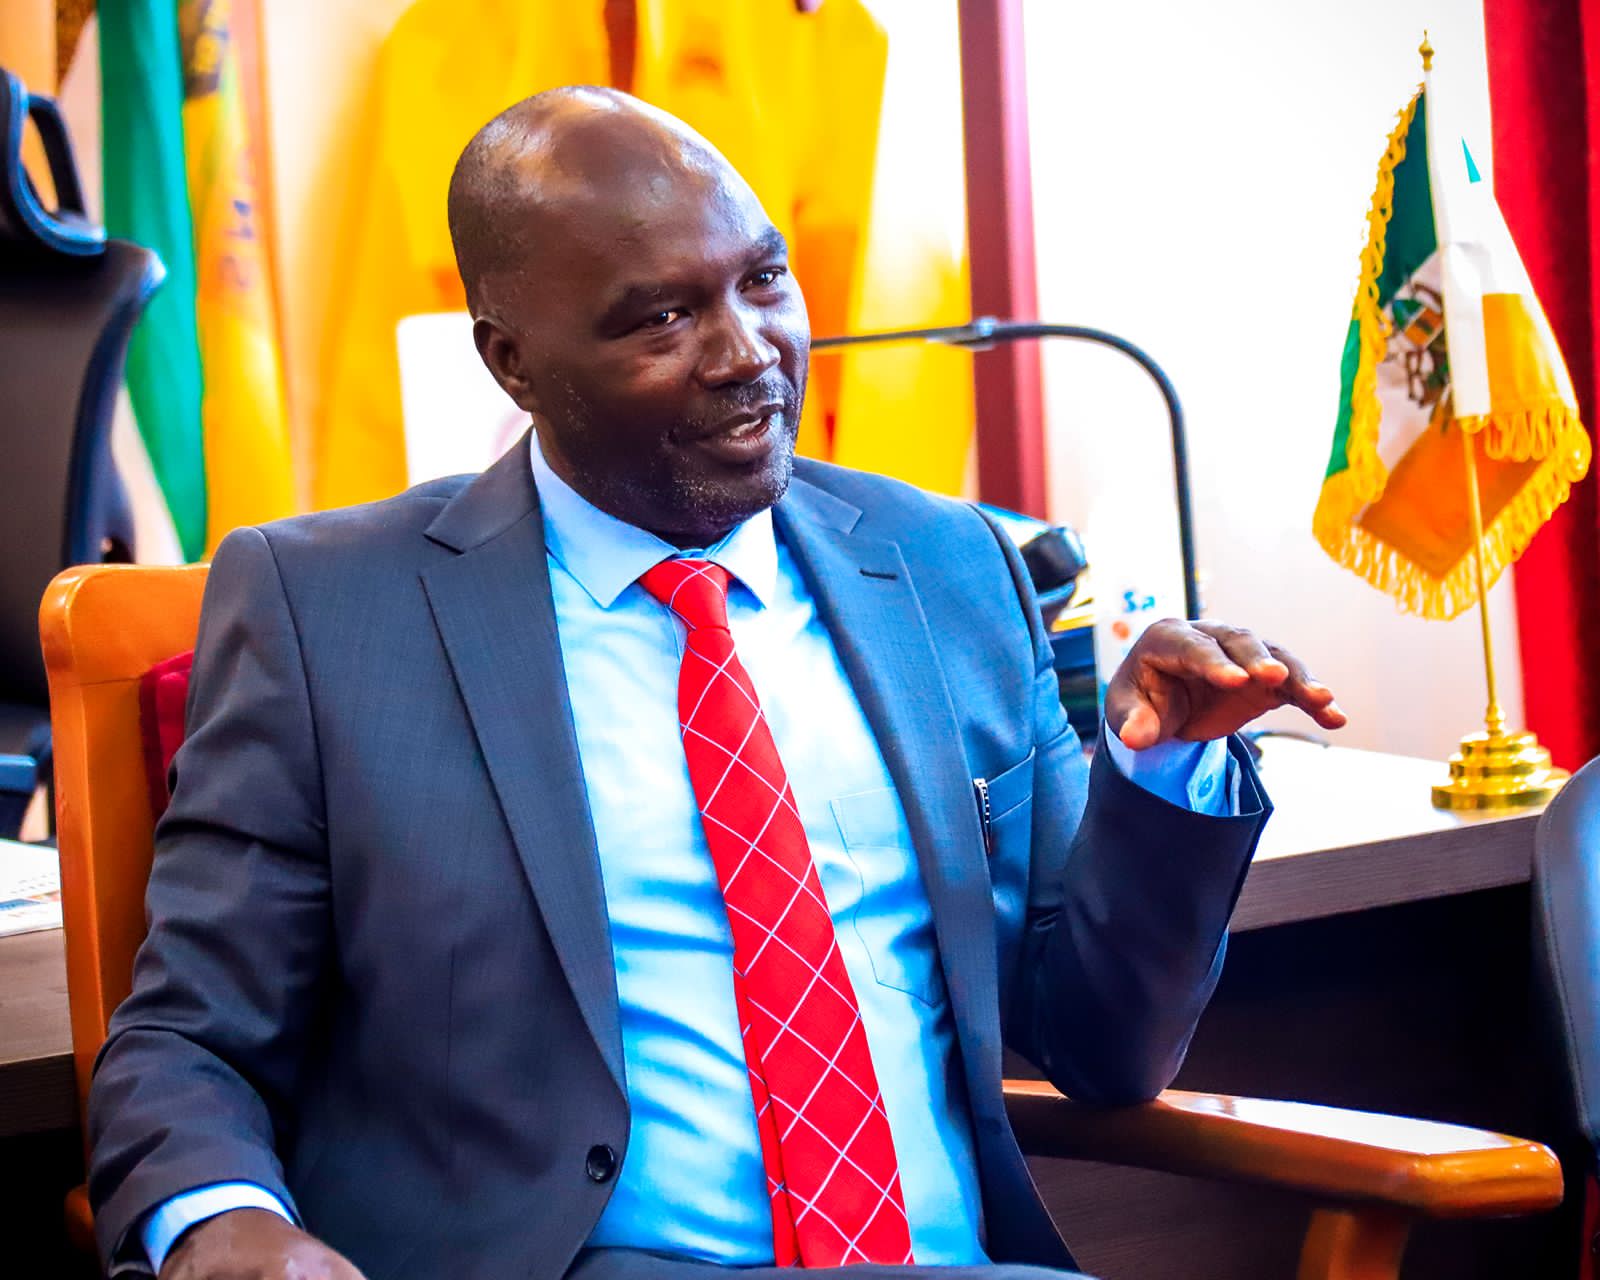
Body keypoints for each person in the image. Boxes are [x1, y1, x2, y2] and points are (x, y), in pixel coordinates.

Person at [88, 88, 1344, 1280]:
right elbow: (191, 1037)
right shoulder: (333, 612)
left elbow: (1108, 1044)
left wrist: (1160, 770)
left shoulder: (948, 564)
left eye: (764, 280)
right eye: (662, 318)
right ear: (512, 361)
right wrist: (223, 1224)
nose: (750, 354)